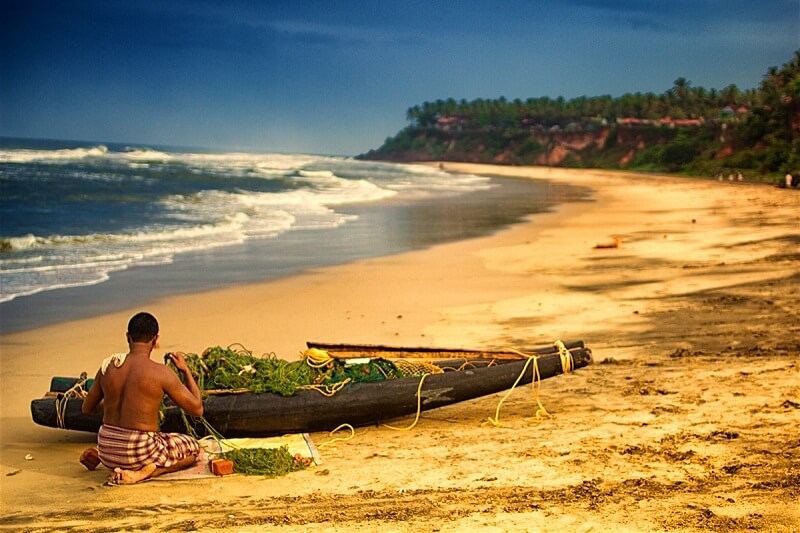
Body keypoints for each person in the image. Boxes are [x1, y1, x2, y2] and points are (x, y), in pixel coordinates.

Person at [80, 312, 204, 484]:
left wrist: (110, 401)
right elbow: (197, 409)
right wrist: (186, 371)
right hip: (139, 451)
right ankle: (146, 473)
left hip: (107, 447)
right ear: (155, 339)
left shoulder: (108, 366)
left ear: (128, 337)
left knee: (153, 441)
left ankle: (102, 458)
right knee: (194, 450)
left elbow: (86, 408)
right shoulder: (161, 372)